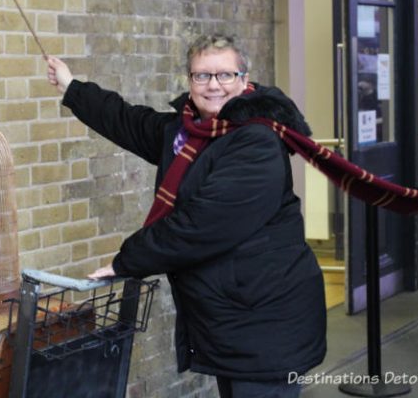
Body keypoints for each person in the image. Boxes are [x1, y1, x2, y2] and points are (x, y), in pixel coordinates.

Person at [47, 34, 326, 397]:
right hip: (235, 315)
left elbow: (200, 225)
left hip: (265, 320)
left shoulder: (256, 142)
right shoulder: (189, 133)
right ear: (189, 81)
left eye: (225, 75)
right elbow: (129, 121)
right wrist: (72, 87)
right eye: (201, 76)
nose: (213, 86)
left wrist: (127, 261)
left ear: (244, 79)